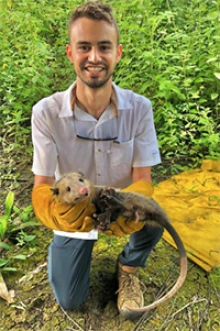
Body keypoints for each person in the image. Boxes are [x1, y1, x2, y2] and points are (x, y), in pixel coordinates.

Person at [31, 1, 163, 320]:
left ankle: (128, 267)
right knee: (70, 299)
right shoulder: (46, 113)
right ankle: (77, 250)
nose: (94, 57)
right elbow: (42, 186)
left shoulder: (140, 108)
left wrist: (133, 205)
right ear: (69, 53)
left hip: (118, 205)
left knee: (157, 217)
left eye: (103, 47)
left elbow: (143, 177)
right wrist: (55, 214)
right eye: (84, 47)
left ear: (117, 52)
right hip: (75, 212)